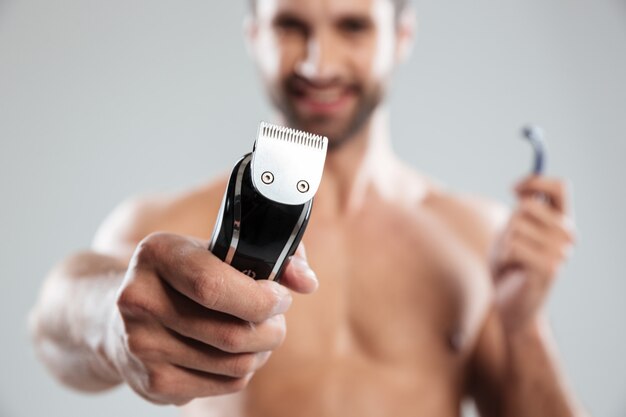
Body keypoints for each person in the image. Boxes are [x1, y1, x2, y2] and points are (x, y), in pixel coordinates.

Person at [30, 0, 588, 416]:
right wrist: (109, 323)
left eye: (352, 25)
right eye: (291, 25)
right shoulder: (171, 225)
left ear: (403, 35)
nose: (319, 62)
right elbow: (53, 326)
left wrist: (523, 327)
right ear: (254, 35)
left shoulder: (476, 236)